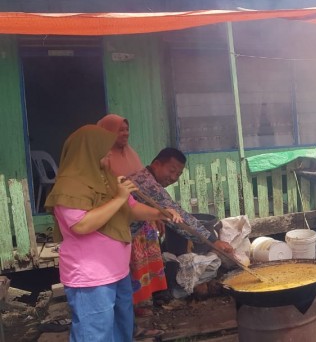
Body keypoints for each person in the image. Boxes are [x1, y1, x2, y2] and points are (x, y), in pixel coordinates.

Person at [44, 125, 182, 341]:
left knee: (121, 329)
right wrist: (118, 198)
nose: (110, 154)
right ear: (88, 150)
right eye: (105, 149)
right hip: (91, 278)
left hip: (117, 271)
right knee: (96, 334)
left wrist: (160, 213)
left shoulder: (107, 178)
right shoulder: (69, 187)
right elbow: (81, 225)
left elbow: (132, 208)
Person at [126, 148, 234, 298]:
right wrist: (212, 241)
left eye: (178, 174)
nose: (173, 177)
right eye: (171, 171)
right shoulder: (148, 184)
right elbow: (178, 217)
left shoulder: (144, 177)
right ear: (156, 164)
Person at [98, 114, 164, 322]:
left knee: (141, 264)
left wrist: (157, 213)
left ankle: (138, 307)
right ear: (107, 132)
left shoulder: (131, 154)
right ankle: (126, 313)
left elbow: (144, 189)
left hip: (141, 218)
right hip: (120, 222)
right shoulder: (102, 157)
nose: (125, 133)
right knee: (126, 266)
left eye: (127, 129)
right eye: (120, 130)